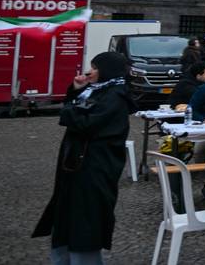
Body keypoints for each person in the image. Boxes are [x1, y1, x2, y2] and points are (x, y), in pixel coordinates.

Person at [33, 52, 137, 265]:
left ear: (107, 70)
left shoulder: (114, 96)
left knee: (85, 221)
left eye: (96, 68)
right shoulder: (98, 90)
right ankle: (64, 258)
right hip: (77, 167)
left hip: (94, 168)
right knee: (68, 216)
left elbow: (85, 123)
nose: (90, 72)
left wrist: (69, 109)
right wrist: (76, 92)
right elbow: (81, 112)